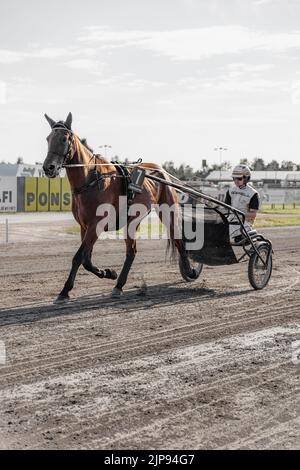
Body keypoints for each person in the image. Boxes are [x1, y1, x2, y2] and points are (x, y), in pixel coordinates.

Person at [224, 164, 260, 242]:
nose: (236, 181)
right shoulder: (230, 191)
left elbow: (253, 215)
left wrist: (239, 215)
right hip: (231, 220)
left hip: (245, 223)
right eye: (234, 178)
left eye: (239, 178)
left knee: (233, 237)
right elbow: (225, 209)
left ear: (246, 178)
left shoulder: (253, 194)